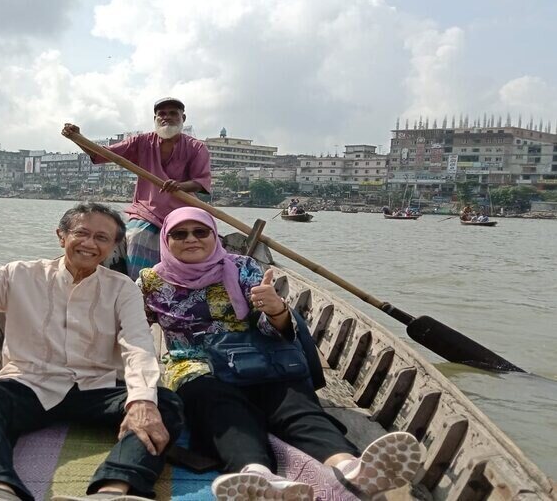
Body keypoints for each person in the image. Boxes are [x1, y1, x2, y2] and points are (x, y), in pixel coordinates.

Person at [0, 202, 184, 501]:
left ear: (113, 246)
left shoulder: (122, 288)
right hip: (30, 385)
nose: (90, 243)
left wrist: (142, 401)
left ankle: (112, 491)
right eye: (82, 233)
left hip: (97, 388)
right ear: (61, 236)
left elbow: (138, 344)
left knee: (165, 404)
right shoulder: (20, 275)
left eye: (102, 238)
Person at [137, 207, 425, 500]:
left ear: (214, 235)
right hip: (195, 365)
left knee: (294, 403)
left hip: (258, 357)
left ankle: (350, 467)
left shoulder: (242, 267)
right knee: (221, 408)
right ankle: (256, 475)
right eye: (179, 234)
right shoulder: (150, 282)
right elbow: (132, 331)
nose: (191, 239)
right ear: (166, 239)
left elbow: (275, 330)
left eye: (200, 232)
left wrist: (275, 309)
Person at [62, 97, 211, 280]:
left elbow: (201, 181)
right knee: (139, 237)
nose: (167, 118)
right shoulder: (142, 142)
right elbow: (102, 154)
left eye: (173, 114)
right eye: (162, 114)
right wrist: (78, 138)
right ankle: (139, 289)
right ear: (155, 118)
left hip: (182, 212)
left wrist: (180, 186)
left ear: (183, 118)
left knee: (201, 243)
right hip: (146, 211)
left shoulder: (196, 147)